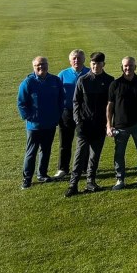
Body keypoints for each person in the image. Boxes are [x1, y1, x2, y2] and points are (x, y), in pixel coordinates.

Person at [65, 51, 114, 196]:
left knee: (94, 155)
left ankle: (90, 181)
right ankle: (73, 184)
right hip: (84, 125)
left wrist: (109, 123)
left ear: (103, 64)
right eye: (93, 64)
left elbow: (111, 104)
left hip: (100, 124)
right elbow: (76, 102)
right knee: (79, 155)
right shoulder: (83, 80)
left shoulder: (109, 80)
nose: (95, 67)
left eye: (98, 64)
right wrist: (77, 120)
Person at [106, 56, 137, 191]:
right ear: (122, 67)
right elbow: (110, 106)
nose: (128, 68)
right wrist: (108, 125)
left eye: (130, 66)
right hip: (120, 126)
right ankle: (120, 179)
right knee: (119, 154)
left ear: (135, 67)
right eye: (125, 66)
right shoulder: (115, 84)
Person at [17, 55, 64, 189]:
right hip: (34, 126)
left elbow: (61, 100)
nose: (41, 67)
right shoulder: (28, 82)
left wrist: (57, 116)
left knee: (46, 150)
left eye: (43, 64)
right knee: (31, 152)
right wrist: (29, 117)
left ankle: (42, 174)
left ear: (47, 65)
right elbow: (21, 103)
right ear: (34, 67)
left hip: (50, 124)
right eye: (38, 65)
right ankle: (27, 178)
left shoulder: (55, 80)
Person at [54, 49, 87, 179]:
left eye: (79, 58)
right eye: (74, 58)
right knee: (65, 142)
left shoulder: (89, 72)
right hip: (67, 112)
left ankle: (84, 167)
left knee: (84, 141)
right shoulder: (63, 74)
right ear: (70, 60)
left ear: (84, 60)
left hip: (84, 113)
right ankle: (63, 168)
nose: (76, 60)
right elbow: (56, 94)